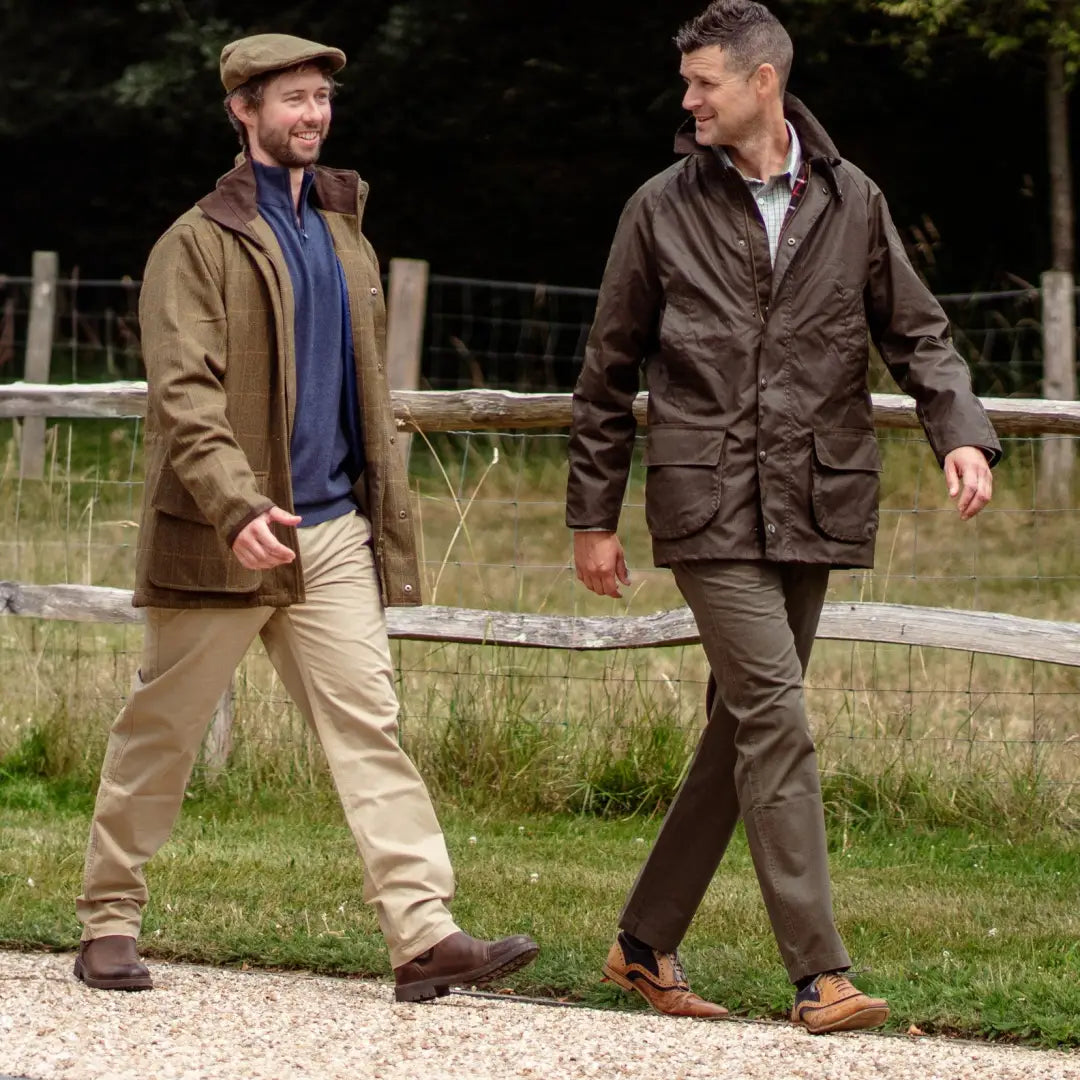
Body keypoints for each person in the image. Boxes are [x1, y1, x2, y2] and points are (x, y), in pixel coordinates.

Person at [74, 33, 538, 1003]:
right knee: (162, 729)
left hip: (329, 536)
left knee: (371, 726)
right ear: (242, 113)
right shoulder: (192, 247)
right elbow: (186, 400)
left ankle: (424, 936)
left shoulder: (344, 232)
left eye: (321, 98)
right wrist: (238, 504)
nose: (313, 116)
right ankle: (109, 922)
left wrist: (377, 520)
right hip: (223, 536)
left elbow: (360, 395)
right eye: (292, 100)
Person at [566, 0, 999, 1034]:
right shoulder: (660, 207)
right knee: (777, 718)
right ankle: (820, 974)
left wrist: (963, 433)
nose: (688, 101)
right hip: (705, 496)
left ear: (764, 82)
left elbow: (920, 334)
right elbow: (606, 371)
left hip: (818, 493)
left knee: (742, 728)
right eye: (687, 85)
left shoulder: (853, 201)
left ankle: (640, 943)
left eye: (704, 82)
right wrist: (594, 518)